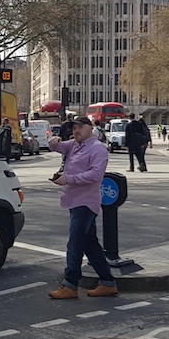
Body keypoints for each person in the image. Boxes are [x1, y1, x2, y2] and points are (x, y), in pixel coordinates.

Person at [48, 116, 118, 299]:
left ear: (90, 128)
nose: (76, 131)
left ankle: (70, 285)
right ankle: (108, 282)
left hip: (86, 202)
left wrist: (68, 179)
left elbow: (96, 175)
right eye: (74, 128)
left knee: (75, 243)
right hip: (73, 199)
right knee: (90, 244)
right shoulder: (74, 145)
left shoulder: (98, 149)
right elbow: (56, 147)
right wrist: (53, 141)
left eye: (80, 127)